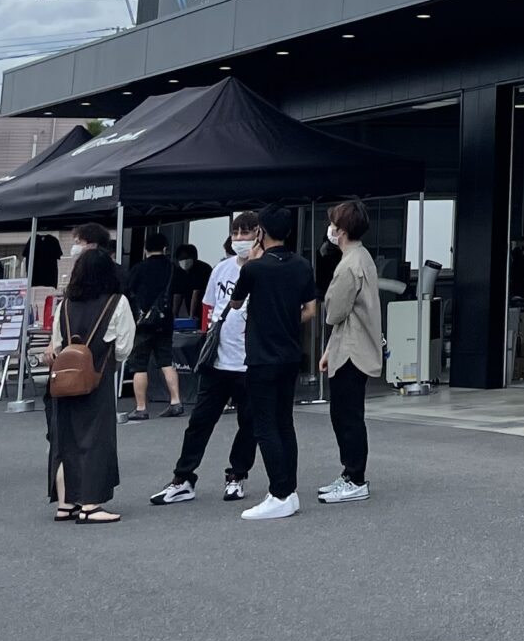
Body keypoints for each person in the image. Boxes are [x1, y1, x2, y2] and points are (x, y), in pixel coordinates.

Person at [149, 211, 261, 505]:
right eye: (236, 233)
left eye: (246, 233)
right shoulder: (221, 269)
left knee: (249, 423)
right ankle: (183, 477)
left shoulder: (264, 270)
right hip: (218, 359)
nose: (240, 239)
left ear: (258, 235)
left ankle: (237, 475)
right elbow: (209, 307)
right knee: (199, 421)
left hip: (250, 362)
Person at [227, 206, 316, 521]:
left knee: (265, 425)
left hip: (262, 357)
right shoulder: (302, 265)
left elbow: (235, 303)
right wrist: (288, 321)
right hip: (290, 354)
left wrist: (251, 261)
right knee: (284, 423)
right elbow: (310, 309)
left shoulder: (255, 269)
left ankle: (280, 493)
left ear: (261, 232)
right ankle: (288, 490)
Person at [45, 220, 134, 524]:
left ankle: (65, 503)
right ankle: (91, 505)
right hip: (97, 377)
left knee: (64, 440)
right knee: (96, 439)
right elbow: (123, 347)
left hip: (64, 379)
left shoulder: (65, 304)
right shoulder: (116, 302)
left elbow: (57, 343)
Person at [317, 200, 382, 504]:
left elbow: (335, 312)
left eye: (333, 224)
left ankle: (355, 478)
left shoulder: (348, 266)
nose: (330, 229)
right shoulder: (361, 257)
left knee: (346, 416)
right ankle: (349, 474)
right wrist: (330, 349)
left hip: (351, 350)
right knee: (347, 414)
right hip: (351, 345)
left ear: (341, 230)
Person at [123, 231, 185, 421]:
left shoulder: (139, 268)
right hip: (165, 322)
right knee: (166, 362)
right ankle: (176, 401)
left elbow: (126, 291)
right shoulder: (172, 269)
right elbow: (180, 290)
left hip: (143, 324)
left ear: (145, 249)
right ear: (165, 248)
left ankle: (141, 408)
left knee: (139, 366)